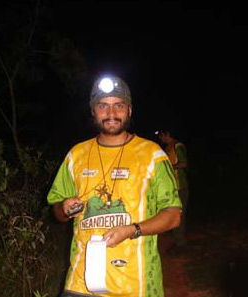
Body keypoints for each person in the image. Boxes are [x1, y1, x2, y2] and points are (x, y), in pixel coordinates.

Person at [47, 75, 182, 297]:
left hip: (135, 285)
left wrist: (133, 229)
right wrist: (63, 207)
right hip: (81, 282)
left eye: (118, 105)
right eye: (103, 106)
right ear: (93, 111)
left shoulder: (152, 155)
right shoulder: (76, 155)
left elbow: (173, 215)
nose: (111, 114)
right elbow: (57, 211)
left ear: (129, 110)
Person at [156, 129, 189, 247]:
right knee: (172, 214)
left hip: (180, 186)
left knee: (179, 215)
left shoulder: (177, 146)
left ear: (167, 134)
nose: (161, 139)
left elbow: (183, 163)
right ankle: (178, 241)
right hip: (172, 186)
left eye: (161, 136)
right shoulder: (168, 147)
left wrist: (168, 168)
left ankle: (181, 244)